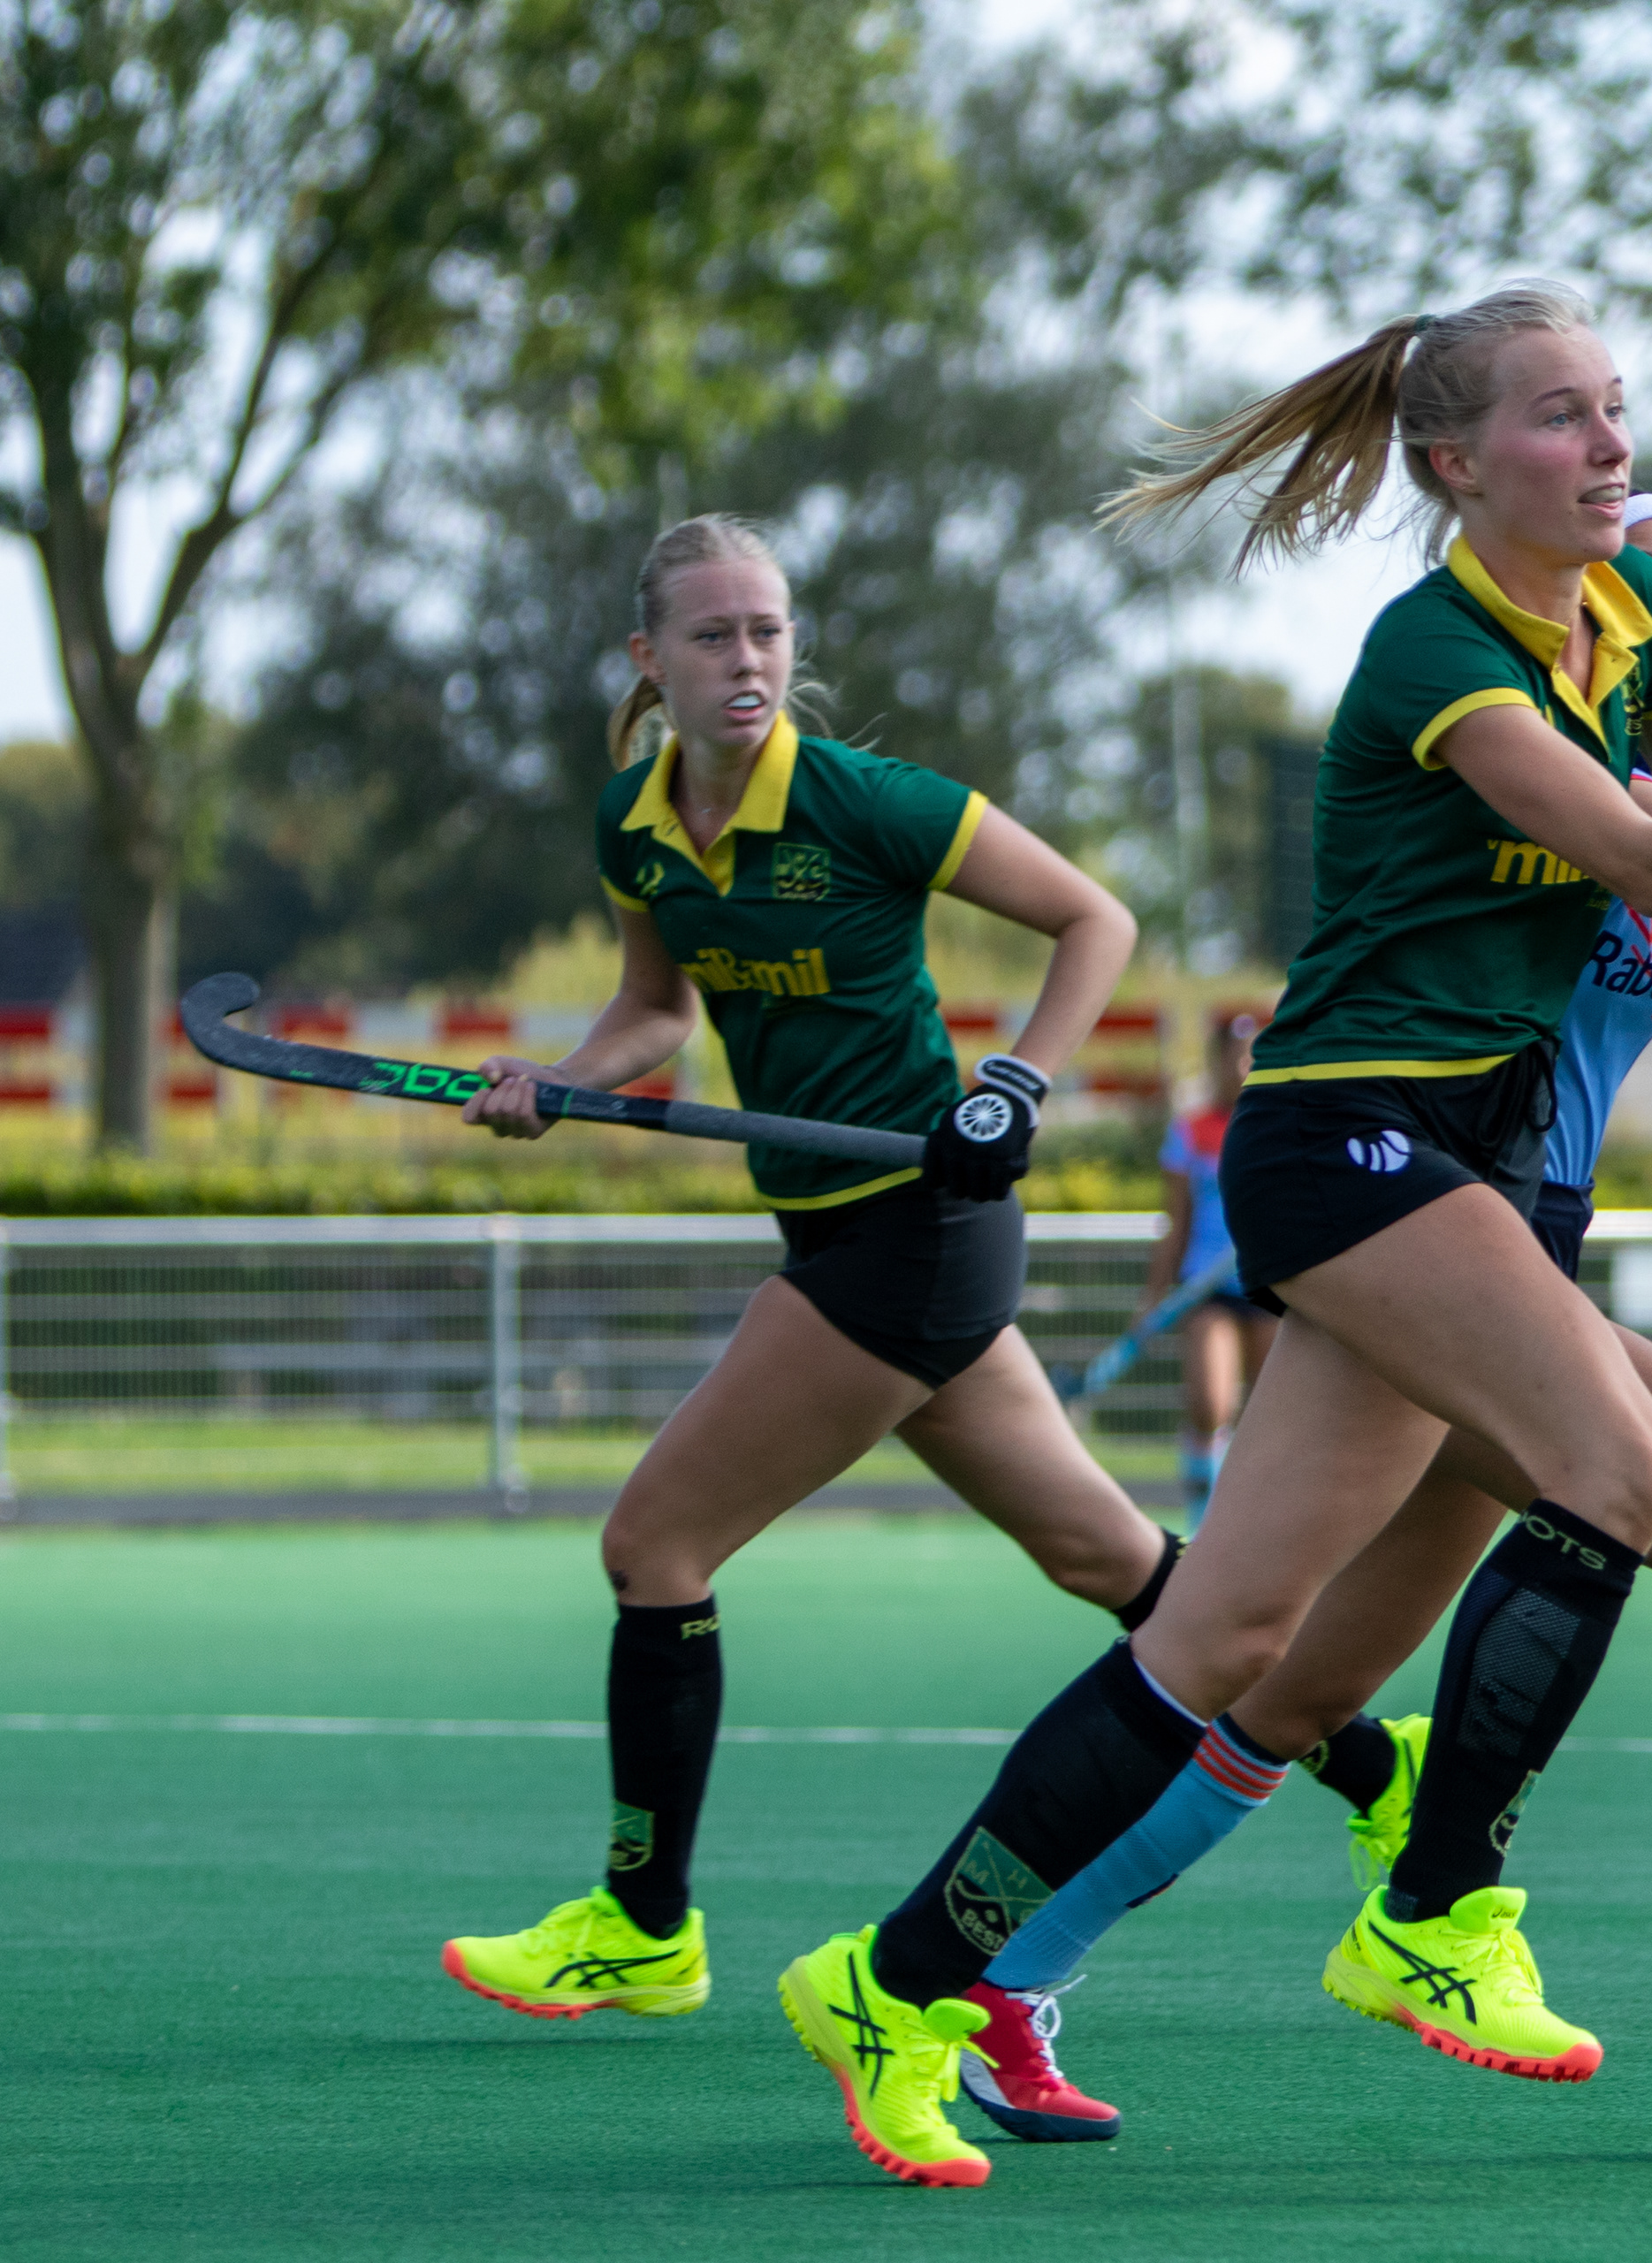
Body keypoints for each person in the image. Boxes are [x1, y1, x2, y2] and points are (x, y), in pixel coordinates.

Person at [773, 279, 1652, 2188]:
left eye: (1615, 406)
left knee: (1249, 1640)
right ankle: (1443, 1908)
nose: (1610, 444)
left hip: (1464, 1185)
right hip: (1352, 1143)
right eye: (1561, 416)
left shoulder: (1632, 612)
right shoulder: (1436, 649)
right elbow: (1638, 849)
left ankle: (910, 1979)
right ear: (1455, 464)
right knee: (1613, 1467)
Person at [431, 513, 1178, 2026]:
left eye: (768, 631)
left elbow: (1095, 920)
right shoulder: (635, 825)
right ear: (651, 660)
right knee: (1108, 1561)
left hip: (920, 1224)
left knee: (654, 1544)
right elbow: (658, 1010)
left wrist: (1015, 1083)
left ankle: (644, 1926)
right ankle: (1374, 1765)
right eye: (713, 636)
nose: (748, 660)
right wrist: (561, 1083)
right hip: (829, 1228)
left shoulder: (864, 802)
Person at [1147, 1008, 1275, 1518]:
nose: (1244, 1067)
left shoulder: (1278, 1124)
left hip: (1272, 1285)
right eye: (1235, 1057)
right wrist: (1153, 1298)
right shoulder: (1191, 1130)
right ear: (1216, 1060)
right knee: (1210, 1404)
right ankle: (1202, 1523)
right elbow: (1176, 1223)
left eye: (1252, 1057)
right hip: (1208, 1290)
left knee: (1271, 1416)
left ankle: (1258, 1520)